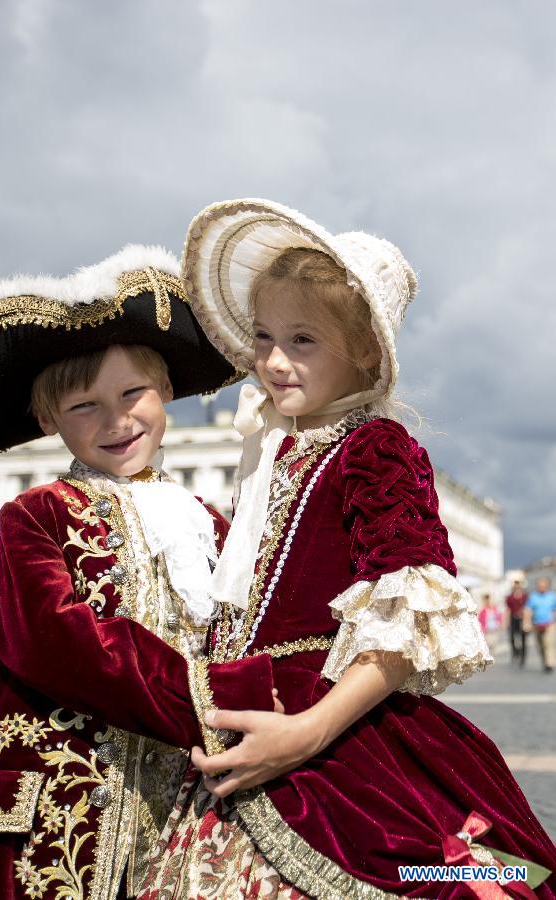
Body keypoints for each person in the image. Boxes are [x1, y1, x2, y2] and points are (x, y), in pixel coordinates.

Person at [139, 200, 556, 899]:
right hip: (252, 734)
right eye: (265, 337)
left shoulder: (375, 450)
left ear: (364, 351)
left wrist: (307, 733)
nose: (273, 361)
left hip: (336, 739)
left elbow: (404, 625)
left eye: (303, 340)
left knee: (450, 871)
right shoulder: (274, 450)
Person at [0, 246, 278, 900]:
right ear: (47, 420)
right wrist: (218, 700)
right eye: (84, 407)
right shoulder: (37, 514)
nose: (116, 420)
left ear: (167, 391)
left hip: (191, 786)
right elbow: (52, 640)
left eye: (131, 393)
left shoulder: (209, 520)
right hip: (64, 791)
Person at [525, 578, 556, 673]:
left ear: (547, 586)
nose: (542, 587)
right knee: (540, 645)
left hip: (549, 624)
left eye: (543, 586)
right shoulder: (533, 597)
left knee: (549, 644)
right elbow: (528, 610)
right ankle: (545, 662)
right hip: (537, 625)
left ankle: (550, 663)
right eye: (540, 586)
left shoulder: (552, 597)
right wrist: (527, 622)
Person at [506, 579, 529, 665]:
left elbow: (528, 607)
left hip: (523, 619)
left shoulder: (525, 597)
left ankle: (523, 657)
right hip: (513, 618)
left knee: (523, 639)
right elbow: (508, 609)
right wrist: (506, 621)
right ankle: (515, 652)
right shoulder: (510, 598)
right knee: (512, 637)